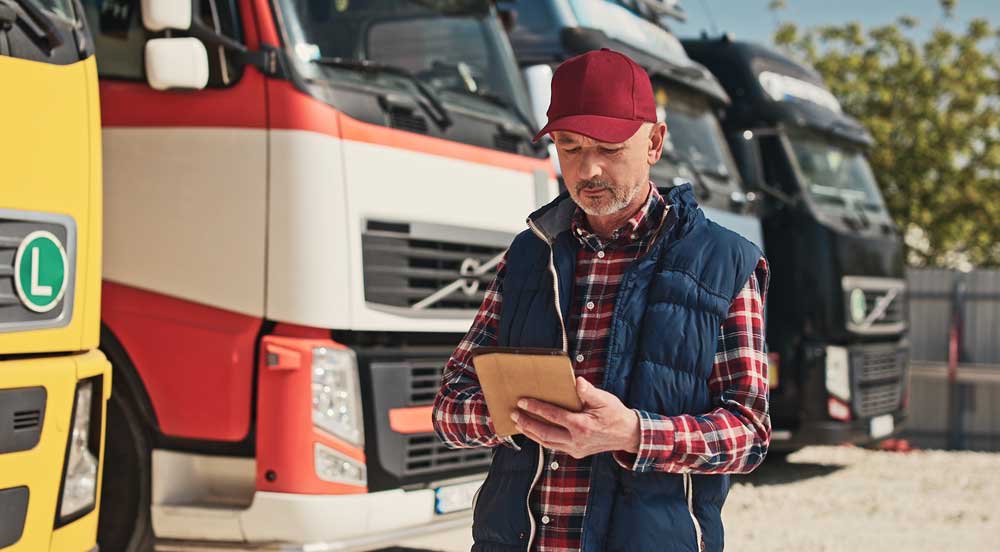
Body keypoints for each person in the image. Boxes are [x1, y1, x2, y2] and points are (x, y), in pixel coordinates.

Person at [432, 48, 770, 552]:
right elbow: (448, 408)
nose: (588, 169)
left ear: (654, 142)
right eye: (569, 148)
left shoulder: (726, 261)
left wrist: (631, 433)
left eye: (609, 148)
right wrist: (520, 416)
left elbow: (748, 434)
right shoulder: (529, 255)